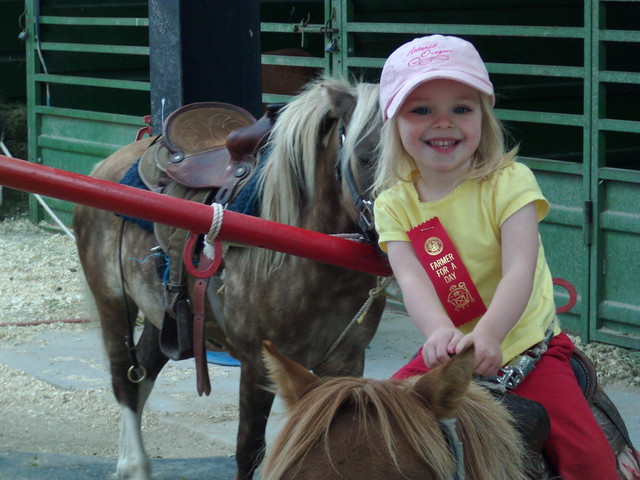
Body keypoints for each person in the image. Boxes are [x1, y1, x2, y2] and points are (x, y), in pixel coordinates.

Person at [373, 34, 618, 479]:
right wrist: (439, 333)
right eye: (421, 109)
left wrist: (489, 334)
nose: (442, 122)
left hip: (525, 347)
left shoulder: (510, 182)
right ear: (394, 122)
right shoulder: (393, 203)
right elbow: (412, 280)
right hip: (448, 350)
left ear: (483, 118)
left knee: (590, 461)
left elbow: (519, 269)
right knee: (373, 424)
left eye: (461, 109)